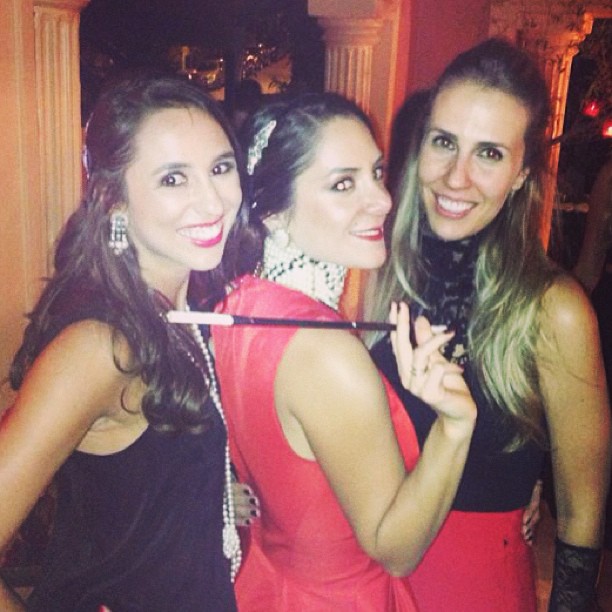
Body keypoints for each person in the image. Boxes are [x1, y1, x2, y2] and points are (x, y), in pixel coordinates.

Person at [367, 38, 611, 611]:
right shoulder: (375, 273)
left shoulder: (553, 309)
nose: (457, 177)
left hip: (473, 591)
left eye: (490, 154)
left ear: (522, 174)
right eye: (444, 142)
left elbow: (582, 512)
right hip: (362, 581)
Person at [0, 72, 258, 611]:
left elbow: (131, 483)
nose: (212, 201)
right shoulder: (101, 346)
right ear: (114, 200)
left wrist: (208, 497)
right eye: (173, 179)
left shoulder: (179, 311)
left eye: (220, 168)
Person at [210, 92, 477, 610]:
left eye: (376, 173)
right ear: (273, 212)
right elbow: (394, 549)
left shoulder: (240, 304)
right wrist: (455, 426)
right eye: (343, 184)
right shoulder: (326, 353)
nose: (382, 200)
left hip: (272, 585)